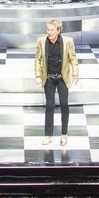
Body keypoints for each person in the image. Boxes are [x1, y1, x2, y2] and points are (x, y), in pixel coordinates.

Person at [34, 18, 78, 148]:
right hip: (48, 78)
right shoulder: (41, 41)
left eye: (52, 30)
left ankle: (64, 135)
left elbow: (73, 58)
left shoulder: (67, 41)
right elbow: (37, 59)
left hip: (62, 77)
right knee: (49, 106)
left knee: (64, 104)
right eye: (48, 29)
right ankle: (48, 136)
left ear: (58, 31)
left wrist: (75, 73)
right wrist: (37, 75)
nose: (49, 32)